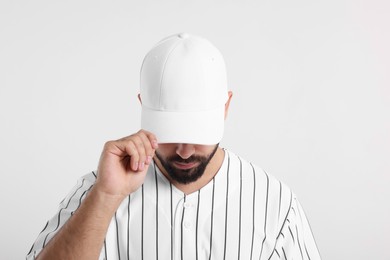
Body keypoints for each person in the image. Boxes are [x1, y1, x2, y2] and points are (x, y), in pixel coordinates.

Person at [27, 33, 321, 260]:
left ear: (226, 106)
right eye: (170, 131)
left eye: (197, 131)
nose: (184, 150)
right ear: (143, 106)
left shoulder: (276, 204)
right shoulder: (101, 188)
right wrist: (105, 195)